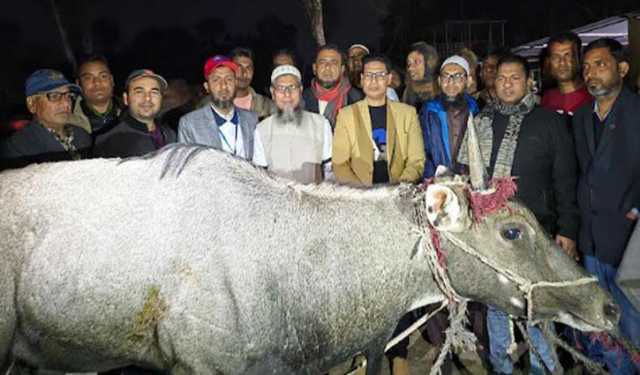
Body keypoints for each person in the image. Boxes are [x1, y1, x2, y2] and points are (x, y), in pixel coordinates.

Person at [459, 54, 578, 375]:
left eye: (514, 78)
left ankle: (544, 367)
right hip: (492, 237)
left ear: (528, 82)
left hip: (535, 235)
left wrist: (567, 229)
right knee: (497, 307)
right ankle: (502, 367)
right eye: (501, 78)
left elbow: (565, 181)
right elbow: (464, 175)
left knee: (538, 308)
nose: (507, 84)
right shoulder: (480, 122)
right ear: (492, 83)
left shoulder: (549, 122)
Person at [573, 38, 640, 375]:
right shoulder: (582, 115)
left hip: (629, 239)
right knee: (599, 318)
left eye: (600, 64)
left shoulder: (637, 111)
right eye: (586, 67)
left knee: (631, 319)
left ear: (622, 69)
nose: (590, 73)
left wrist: (636, 207)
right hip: (591, 238)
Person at [333, 55, 424, 187]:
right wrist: (361, 192)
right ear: (362, 79)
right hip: (360, 195)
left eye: (380, 75)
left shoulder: (407, 114)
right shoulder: (346, 115)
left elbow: (416, 160)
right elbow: (340, 163)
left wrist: (400, 188)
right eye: (369, 75)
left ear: (389, 79)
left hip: (397, 192)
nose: (374, 81)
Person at [252, 65, 332, 184]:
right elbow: (260, 178)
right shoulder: (262, 130)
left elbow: (329, 171)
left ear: (300, 90)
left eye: (292, 87)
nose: (287, 94)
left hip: (312, 199)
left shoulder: (321, 124)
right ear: (272, 93)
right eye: (281, 88)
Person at [0, 69, 91, 170]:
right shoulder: (17, 148)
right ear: (32, 104)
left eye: (69, 96)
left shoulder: (83, 135)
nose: (66, 104)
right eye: (54, 96)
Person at [178, 55, 258, 160]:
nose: (223, 86)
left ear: (236, 83)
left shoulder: (252, 119)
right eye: (216, 80)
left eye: (229, 79)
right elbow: (186, 166)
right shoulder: (190, 124)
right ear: (207, 87)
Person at [94, 69, 175, 158]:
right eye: (139, 92)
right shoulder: (108, 141)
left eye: (154, 92)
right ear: (126, 99)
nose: (147, 98)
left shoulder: (171, 134)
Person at [421, 55, 479, 178]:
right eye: (445, 76)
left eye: (457, 76)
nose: (451, 82)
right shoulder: (429, 111)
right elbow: (422, 151)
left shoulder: (478, 112)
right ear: (439, 81)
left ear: (468, 81)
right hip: (437, 182)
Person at [302, 44, 363, 128]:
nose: (327, 67)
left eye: (333, 63)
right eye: (322, 62)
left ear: (342, 69)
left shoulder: (357, 99)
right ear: (314, 68)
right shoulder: (300, 99)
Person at [69, 55, 123, 138]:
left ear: (112, 80)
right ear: (78, 84)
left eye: (103, 76)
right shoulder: (67, 119)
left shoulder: (131, 111)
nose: (97, 82)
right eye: (88, 78)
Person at [541, 32, 592, 117]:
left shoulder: (594, 96)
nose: (562, 62)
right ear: (549, 62)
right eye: (556, 57)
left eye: (568, 56)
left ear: (579, 58)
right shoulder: (547, 99)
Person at [230, 47, 276, 120]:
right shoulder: (213, 103)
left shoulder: (267, 106)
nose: (244, 73)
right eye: (239, 67)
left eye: (248, 68)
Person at [402, 41, 439, 110]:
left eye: (417, 62)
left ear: (429, 63)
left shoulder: (443, 87)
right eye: (409, 63)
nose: (410, 68)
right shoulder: (409, 91)